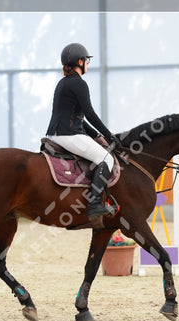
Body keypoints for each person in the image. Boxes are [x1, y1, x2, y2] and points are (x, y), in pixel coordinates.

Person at [46, 43, 119, 220]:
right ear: (80, 61)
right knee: (106, 159)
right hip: (69, 135)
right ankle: (94, 205)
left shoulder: (62, 83)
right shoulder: (79, 84)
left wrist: (97, 136)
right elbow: (90, 114)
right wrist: (110, 136)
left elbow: (79, 118)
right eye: (86, 60)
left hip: (55, 134)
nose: (87, 64)